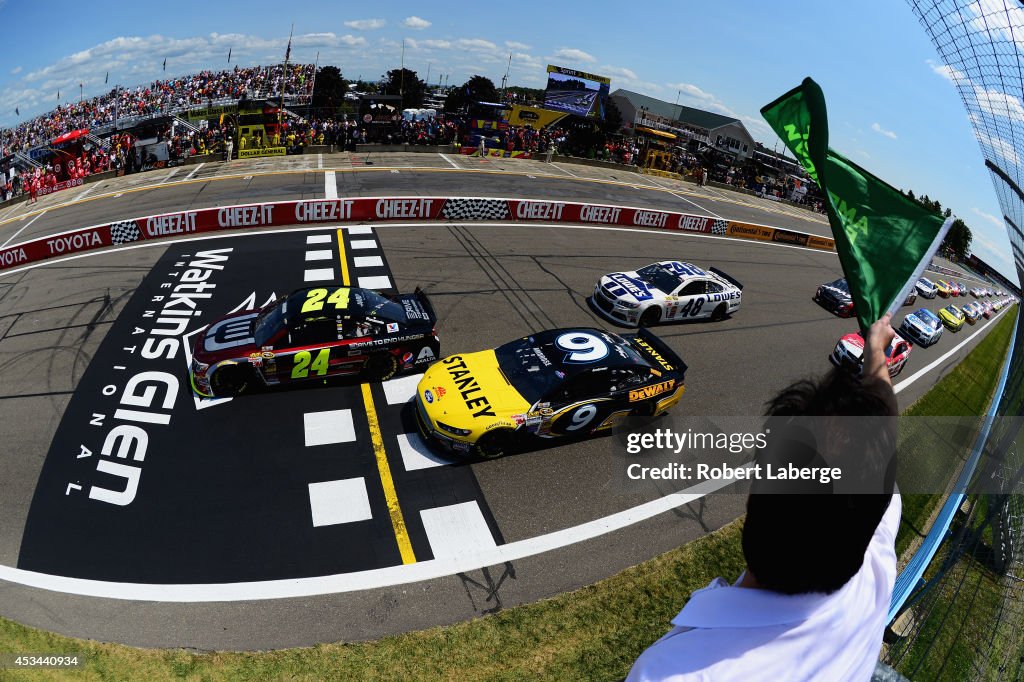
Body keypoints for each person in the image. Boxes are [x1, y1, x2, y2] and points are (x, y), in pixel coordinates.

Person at [628, 314, 900, 682]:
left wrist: (874, 348)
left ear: (753, 493)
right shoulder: (875, 566)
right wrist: (876, 353)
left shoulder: (671, 672)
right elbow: (880, 441)